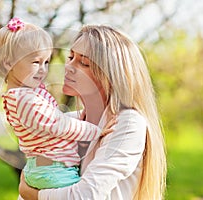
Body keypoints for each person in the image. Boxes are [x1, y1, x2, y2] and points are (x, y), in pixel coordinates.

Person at [19, 25, 167, 199]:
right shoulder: (67, 121)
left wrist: (32, 194)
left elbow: (86, 196)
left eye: (84, 63)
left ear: (111, 75)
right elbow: (34, 171)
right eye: (70, 57)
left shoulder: (128, 124)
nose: (68, 67)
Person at [0, 18, 116, 190]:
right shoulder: (26, 100)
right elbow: (59, 124)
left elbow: (53, 118)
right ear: (8, 63)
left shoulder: (23, 95)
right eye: (36, 62)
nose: (43, 69)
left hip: (50, 167)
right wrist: (97, 131)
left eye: (46, 62)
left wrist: (82, 114)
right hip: (54, 171)